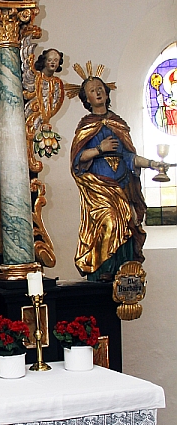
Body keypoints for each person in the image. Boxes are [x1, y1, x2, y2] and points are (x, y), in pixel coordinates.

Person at [71, 76, 163, 281]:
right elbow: (78, 159)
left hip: (122, 186)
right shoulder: (86, 125)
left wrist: (151, 163)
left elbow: (129, 156)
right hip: (100, 188)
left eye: (100, 88)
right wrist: (98, 149)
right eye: (92, 90)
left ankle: (123, 271)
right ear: (86, 98)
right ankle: (104, 267)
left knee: (129, 224)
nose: (98, 92)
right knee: (110, 221)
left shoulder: (117, 123)